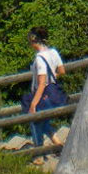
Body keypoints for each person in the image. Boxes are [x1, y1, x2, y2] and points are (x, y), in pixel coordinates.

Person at [27, 27, 65, 159]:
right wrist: (53, 77)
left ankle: (38, 155)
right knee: (43, 122)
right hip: (53, 94)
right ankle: (58, 145)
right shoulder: (53, 52)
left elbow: (41, 83)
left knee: (35, 122)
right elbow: (62, 70)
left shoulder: (39, 58)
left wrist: (33, 104)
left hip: (42, 95)